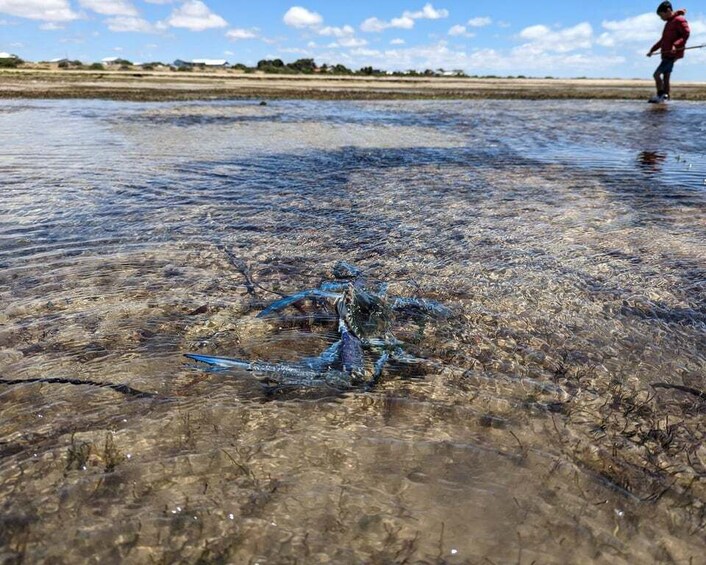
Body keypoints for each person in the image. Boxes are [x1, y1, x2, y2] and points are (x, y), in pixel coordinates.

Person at [646, 2, 690, 103]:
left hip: (672, 54)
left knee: (656, 75)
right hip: (666, 53)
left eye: (661, 15)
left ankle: (660, 95)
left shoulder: (679, 20)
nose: (661, 18)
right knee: (666, 76)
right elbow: (662, 41)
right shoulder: (669, 23)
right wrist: (652, 50)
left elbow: (686, 35)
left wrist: (676, 45)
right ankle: (666, 97)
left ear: (668, 11)